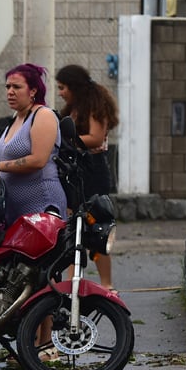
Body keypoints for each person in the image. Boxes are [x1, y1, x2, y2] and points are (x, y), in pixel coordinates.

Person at [55, 63, 120, 288]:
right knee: (74, 230)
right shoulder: (72, 109)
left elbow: (96, 137)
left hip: (92, 169)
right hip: (74, 170)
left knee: (96, 228)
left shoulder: (94, 104)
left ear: (74, 86)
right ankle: (73, 283)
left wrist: (68, 143)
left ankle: (106, 285)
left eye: (63, 87)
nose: (60, 92)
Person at [0, 63, 66, 229]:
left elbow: (38, 160)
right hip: (13, 210)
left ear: (33, 91)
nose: (10, 92)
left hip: (41, 206)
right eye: (7, 87)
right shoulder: (16, 118)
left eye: (16, 87)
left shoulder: (43, 115)